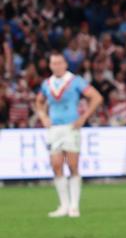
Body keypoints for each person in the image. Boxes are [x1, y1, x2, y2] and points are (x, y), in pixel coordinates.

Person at [33, 51, 103, 218]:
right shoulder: (47, 83)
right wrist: (43, 116)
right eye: (53, 63)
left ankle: (74, 206)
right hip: (54, 129)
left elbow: (96, 97)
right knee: (56, 165)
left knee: (72, 165)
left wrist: (84, 117)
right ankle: (63, 205)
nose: (56, 66)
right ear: (50, 65)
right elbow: (39, 101)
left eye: (59, 63)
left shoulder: (75, 81)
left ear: (65, 64)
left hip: (71, 127)